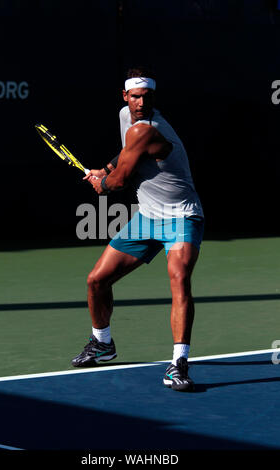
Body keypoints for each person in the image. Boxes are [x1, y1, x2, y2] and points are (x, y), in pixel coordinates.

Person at [71, 66, 204, 392]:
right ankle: (102, 342)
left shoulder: (147, 129)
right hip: (147, 217)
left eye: (146, 97)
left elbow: (119, 181)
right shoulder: (124, 118)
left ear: (152, 98)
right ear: (125, 97)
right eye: (134, 97)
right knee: (96, 280)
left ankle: (179, 364)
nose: (140, 103)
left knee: (179, 277)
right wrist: (106, 168)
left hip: (181, 216)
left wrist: (104, 182)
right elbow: (126, 157)